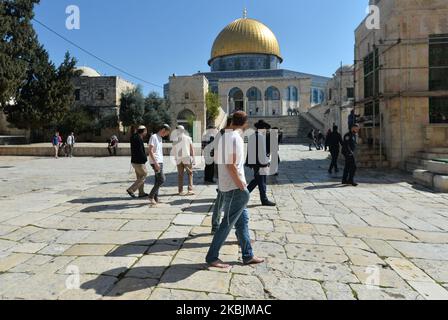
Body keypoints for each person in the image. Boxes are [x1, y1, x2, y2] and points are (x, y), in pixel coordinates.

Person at [206, 111, 264, 268]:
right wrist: (241, 186)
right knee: (227, 224)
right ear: (245, 123)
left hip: (226, 185)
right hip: (235, 187)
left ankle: (248, 254)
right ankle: (212, 257)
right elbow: (231, 165)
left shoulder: (223, 136)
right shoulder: (235, 138)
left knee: (242, 221)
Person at [246, 120, 276, 207]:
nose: (266, 131)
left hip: (256, 163)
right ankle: (264, 200)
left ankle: (243, 194)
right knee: (262, 181)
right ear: (262, 128)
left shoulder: (253, 136)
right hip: (260, 163)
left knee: (257, 180)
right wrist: (265, 163)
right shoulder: (259, 137)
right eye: (266, 129)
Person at [210, 117, 232, 234]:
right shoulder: (225, 134)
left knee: (223, 199)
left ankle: (217, 224)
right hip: (225, 171)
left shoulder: (224, 134)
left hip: (225, 171)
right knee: (222, 199)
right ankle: (216, 224)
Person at [148, 124, 171, 206]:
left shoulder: (160, 138)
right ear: (163, 130)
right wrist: (155, 163)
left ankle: (155, 197)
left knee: (157, 180)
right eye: (166, 133)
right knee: (162, 179)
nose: (166, 135)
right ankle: (151, 196)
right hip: (156, 162)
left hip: (159, 161)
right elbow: (150, 150)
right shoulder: (153, 137)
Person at [126, 126, 149, 199]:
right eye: (146, 131)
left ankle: (141, 193)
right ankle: (131, 189)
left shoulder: (134, 137)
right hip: (139, 161)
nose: (146, 132)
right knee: (144, 175)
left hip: (134, 161)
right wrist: (145, 159)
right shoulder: (138, 138)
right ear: (144, 131)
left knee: (139, 176)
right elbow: (140, 151)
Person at [173, 125, 195, 196]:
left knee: (180, 175)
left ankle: (180, 190)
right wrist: (193, 158)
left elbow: (174, 149)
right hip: (186, 158)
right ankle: (190, 189)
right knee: (190, 174)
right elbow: (191, 149)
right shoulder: (188, 138)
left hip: (179, 158)